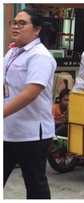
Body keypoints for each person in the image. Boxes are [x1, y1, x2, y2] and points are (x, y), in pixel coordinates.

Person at [4, 9, 57, 199]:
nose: (16, 26)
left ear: (36, 30)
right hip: (9, 130)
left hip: (32, 134)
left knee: (35, 186)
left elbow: (30, 93)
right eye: (14, 22)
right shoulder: (13, 52)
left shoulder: (40, 56)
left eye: (22, 23)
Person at [51, 84, 84, 167]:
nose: (68, 102)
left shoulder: (74, 109)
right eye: (66, 100)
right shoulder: (54, 109)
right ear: (60, 100)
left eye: (70, 100)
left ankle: (80, 158)